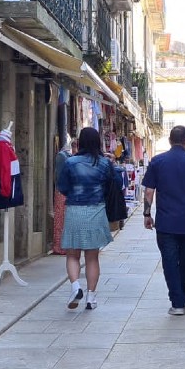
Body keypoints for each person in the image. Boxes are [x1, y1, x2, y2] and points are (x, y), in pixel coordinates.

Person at [142, 126, 185, 315]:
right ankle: (184, 290)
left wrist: (147, 215)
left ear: (170, 141)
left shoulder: (157, 161)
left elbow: (149, 191)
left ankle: (177, 302)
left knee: (169, 261)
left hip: (165, 222)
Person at [57, 127, 114, 310]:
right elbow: (112, 186)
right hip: (96, 211)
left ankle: (75, 287)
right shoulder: (104, 164)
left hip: (75, 210)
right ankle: (91, 297)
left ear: (80, 142)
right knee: (92, 257)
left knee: (72, 255)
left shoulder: (70, 162)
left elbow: (62, 187)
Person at [51, 136, 76, 256]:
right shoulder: (62, 156)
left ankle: (65, 246)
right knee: (61, 218)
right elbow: (59, 175)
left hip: (69, 192)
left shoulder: (70, 157)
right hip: (62, 191)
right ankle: (59, 246)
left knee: (66, 219)